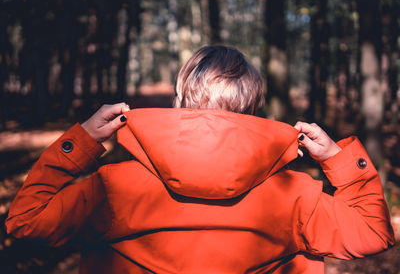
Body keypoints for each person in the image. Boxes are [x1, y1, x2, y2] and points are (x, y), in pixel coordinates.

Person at [6, 45, 395, 273]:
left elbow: (25, 222)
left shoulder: (113, 186)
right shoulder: (295, 194)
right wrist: (338, 159)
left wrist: (82, 140)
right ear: (255, 109)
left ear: (179, 102)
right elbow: (374, 234)